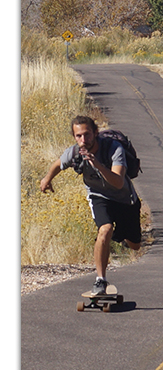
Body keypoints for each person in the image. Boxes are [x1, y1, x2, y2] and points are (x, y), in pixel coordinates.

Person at [40, 116, 141, 295]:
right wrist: (47, 179)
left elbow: (118, 182)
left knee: (135, 245)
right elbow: (58, 164)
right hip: (99, 197)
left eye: (87, 135)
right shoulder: (74, 152)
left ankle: (122, 237)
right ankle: (100, 280)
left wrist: (98, 165)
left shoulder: (113, 149)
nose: (83, 140)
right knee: (104, 230)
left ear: (96, 133)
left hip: (125, 199)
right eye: (78, 136)